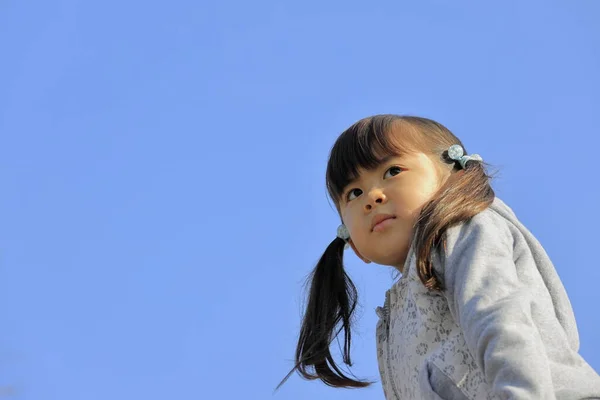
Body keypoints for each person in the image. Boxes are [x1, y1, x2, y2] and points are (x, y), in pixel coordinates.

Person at [278, 115, 600, 399]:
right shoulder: (392, 323)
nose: (372, 197)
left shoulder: (464, 233)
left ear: (451, 178)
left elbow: (501, 320)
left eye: (393, 170)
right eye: (353, 193)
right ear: (354, 244)